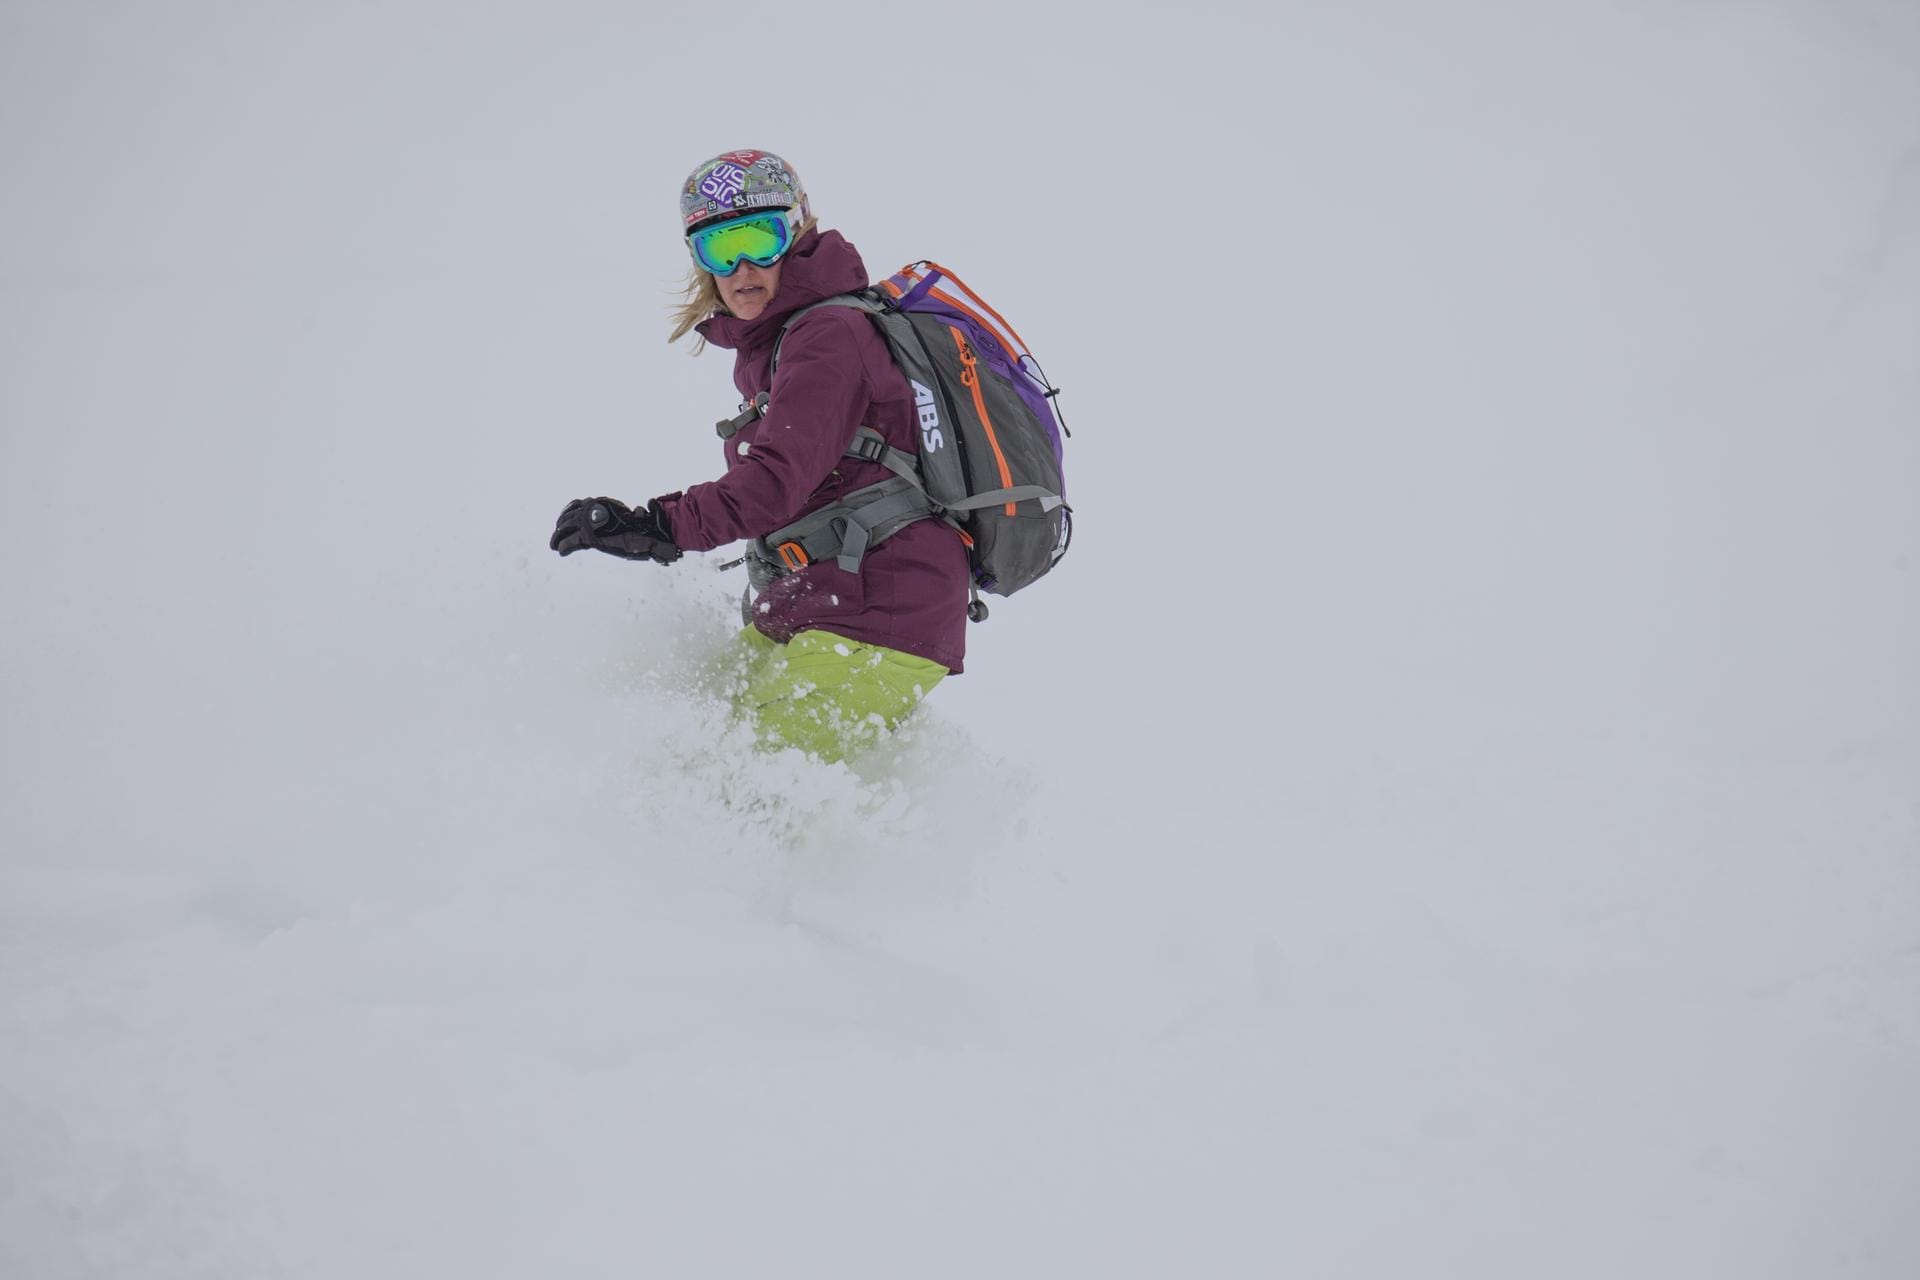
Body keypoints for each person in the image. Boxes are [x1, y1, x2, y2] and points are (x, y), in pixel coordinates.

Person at [550, 149, 971, 763]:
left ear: (796, 231)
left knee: (741, 787)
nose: (742, 268)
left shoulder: (829, 336)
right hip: (822, 599)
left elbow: (773, 483)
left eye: (759, 240)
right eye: (720, 248)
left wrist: (655, 525)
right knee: (690, 743)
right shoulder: (782, 342)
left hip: (881, 611)